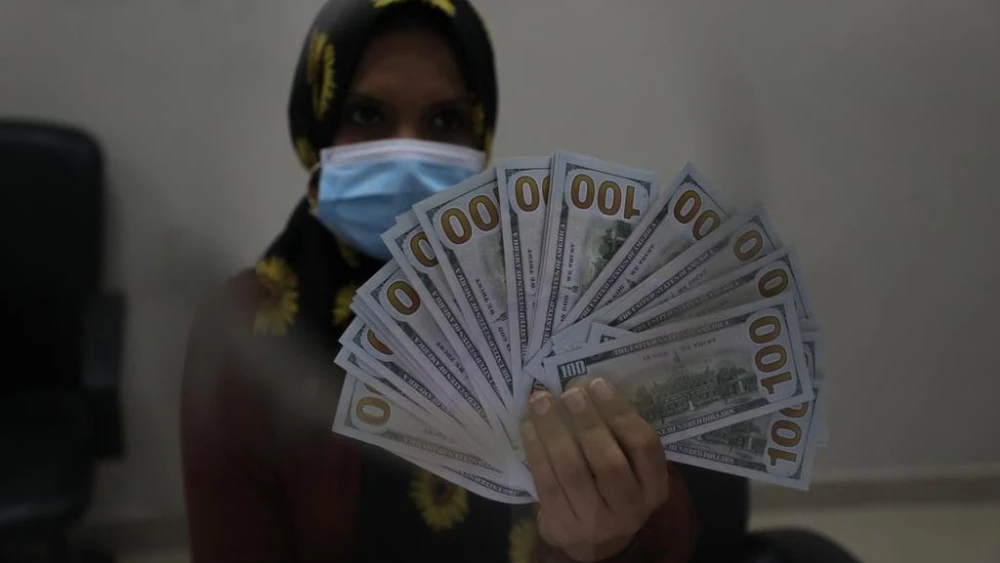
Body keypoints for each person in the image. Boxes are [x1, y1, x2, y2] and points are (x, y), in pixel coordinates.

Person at [180, 1, 698, 562]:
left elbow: (672, 536)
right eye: (368, 114)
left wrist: (612, 535)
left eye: (445, 121)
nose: (407, 154)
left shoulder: (555, 303)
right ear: (317, 126)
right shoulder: (244, 335)